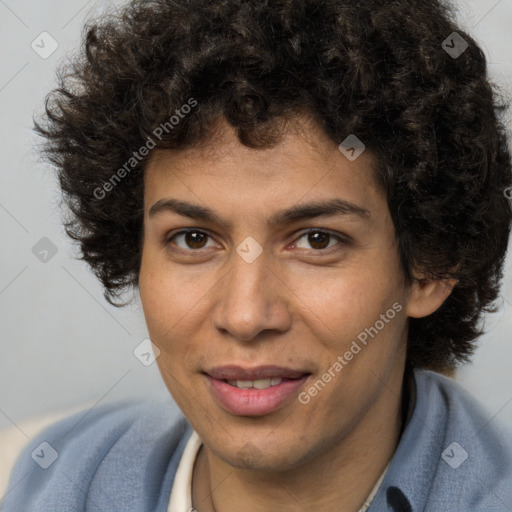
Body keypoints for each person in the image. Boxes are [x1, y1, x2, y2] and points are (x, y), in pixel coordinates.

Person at [2, 0, 512, 510]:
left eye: (317, 240)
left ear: (430, 265)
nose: (245, 316)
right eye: (193, 239)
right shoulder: (59, 476)